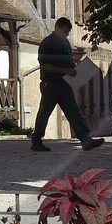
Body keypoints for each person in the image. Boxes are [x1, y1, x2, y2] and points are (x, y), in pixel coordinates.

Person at [30, 17, 104, 152]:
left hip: (64, 83)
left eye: (67, 33)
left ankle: (85, 139)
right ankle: (36, 140)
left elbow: (65, 61)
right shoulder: (47, 43)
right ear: (57, 28)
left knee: (73, 111)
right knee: (45, 112)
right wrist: (66, 71)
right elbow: (45, 65)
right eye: (65, 32)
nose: (66, 34)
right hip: (51, 83)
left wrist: (75, 64)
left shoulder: (64, 43)